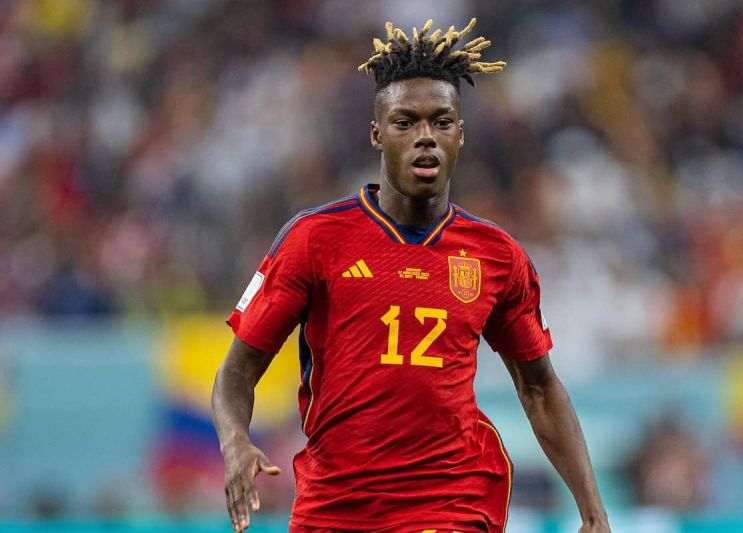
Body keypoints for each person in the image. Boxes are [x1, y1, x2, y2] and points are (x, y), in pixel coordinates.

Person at [212, 18, 610, 533]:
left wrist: (593, 513)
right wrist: (235, 442)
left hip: (450, 500)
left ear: (460, 135)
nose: (425, 137)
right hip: (336, 505)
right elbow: (237, 372)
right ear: (377, 133)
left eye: (441, 122)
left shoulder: (497, 256)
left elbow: (540, 389)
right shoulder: (314, 240)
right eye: (406, 123)